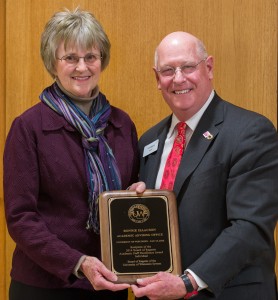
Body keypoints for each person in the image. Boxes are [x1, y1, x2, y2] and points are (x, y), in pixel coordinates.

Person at [3, 8, 139, 300]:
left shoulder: (121, 124)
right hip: (45, 286)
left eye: (90, 56)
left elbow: (131, 193)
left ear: (102, 59)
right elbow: (21, 217)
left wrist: (137, 193)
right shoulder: (29, 128)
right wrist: (77, 263)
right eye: (70, 58)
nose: (82, 67)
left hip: (110, 282)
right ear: (53, 63)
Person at [130, 32, 278, 299]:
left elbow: (251, 226)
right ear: (157, 79)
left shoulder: (251, 132)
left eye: (188, 67)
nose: (178, 78)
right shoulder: (149, 141)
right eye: (167, 70)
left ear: (208, 67)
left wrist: (188, 282)